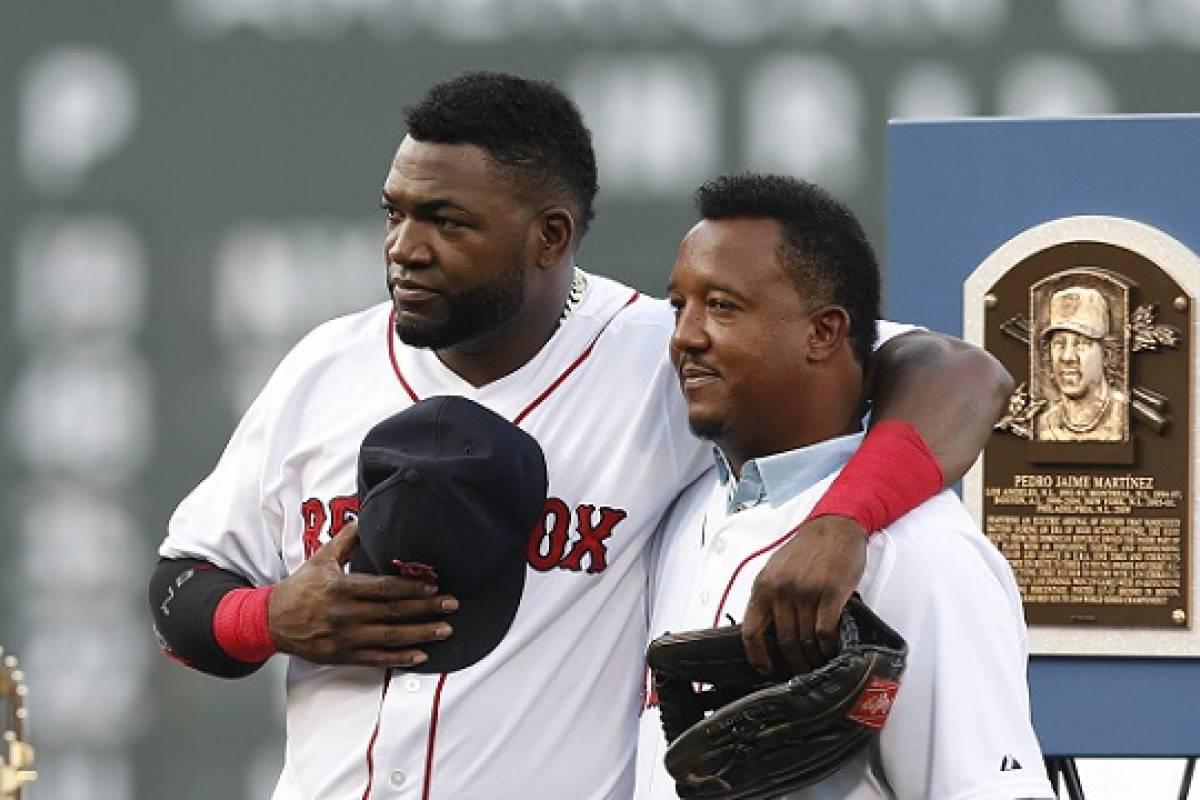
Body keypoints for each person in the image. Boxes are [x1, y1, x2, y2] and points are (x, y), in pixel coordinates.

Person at [148, 72, 1012, 799]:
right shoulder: (324, 369)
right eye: (395, 213)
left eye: (447, 221)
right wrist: (271, 617)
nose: (404, 248)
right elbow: (177, 590)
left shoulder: (663, 362)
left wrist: (844, 519)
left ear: (549, 235)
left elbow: (961, 375)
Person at [636, 173, 1053, 800]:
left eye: (722, 305)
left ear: (824, 332)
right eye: (679, 306)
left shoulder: (922, 555)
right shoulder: (691, 509)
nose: (686, 336)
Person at [1035, 285, 1128, 442]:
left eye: (1081, 343)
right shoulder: (1043, 424)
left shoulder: (1124, 417)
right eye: (1059, 344)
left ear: (1106, 355)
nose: (1067, 357)